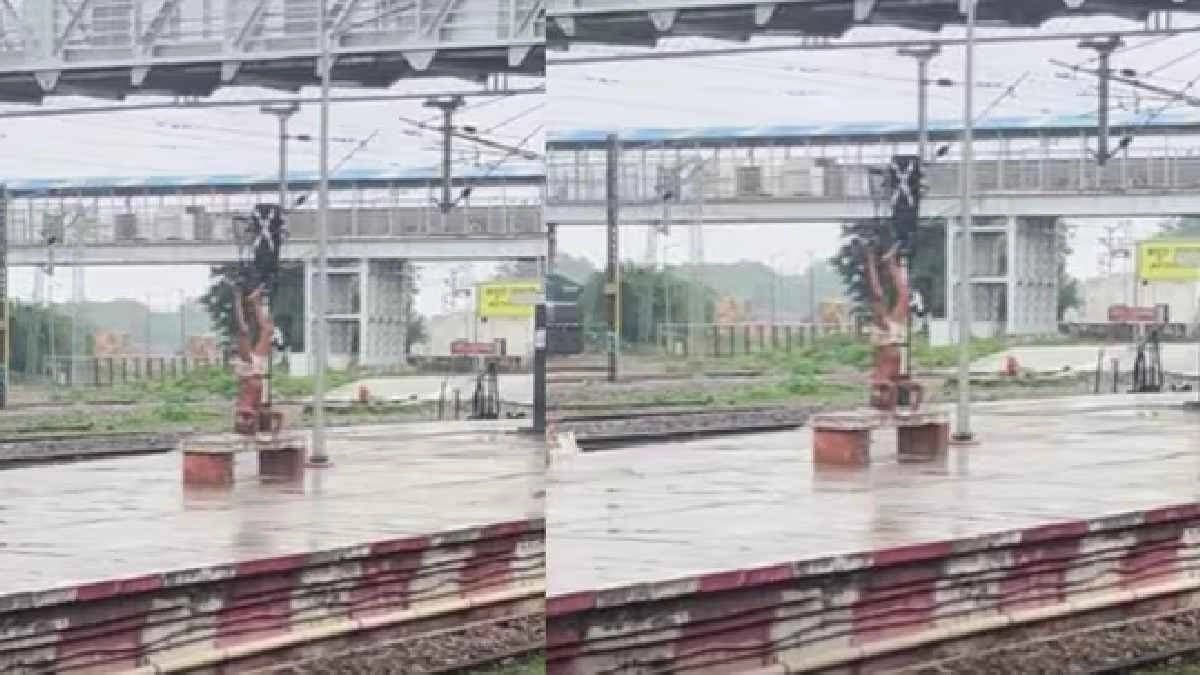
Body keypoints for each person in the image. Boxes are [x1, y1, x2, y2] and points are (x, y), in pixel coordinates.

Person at [863, 243, 922, 411]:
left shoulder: (880, 379)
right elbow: (902, 384)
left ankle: (876, 263)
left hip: (885, 339)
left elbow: (881, 377)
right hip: (893, 340)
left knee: (879, 295)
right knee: (903, 295)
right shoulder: (891, 380)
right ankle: (889, 263)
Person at [233, 286, 274, 435]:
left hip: (248, 370)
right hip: (257, 372)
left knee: (243, 331)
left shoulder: (243, 407)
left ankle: (238, 302)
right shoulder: (254, 407)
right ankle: (255, 301)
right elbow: (260, 407)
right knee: (268, 330)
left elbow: (244, 406)